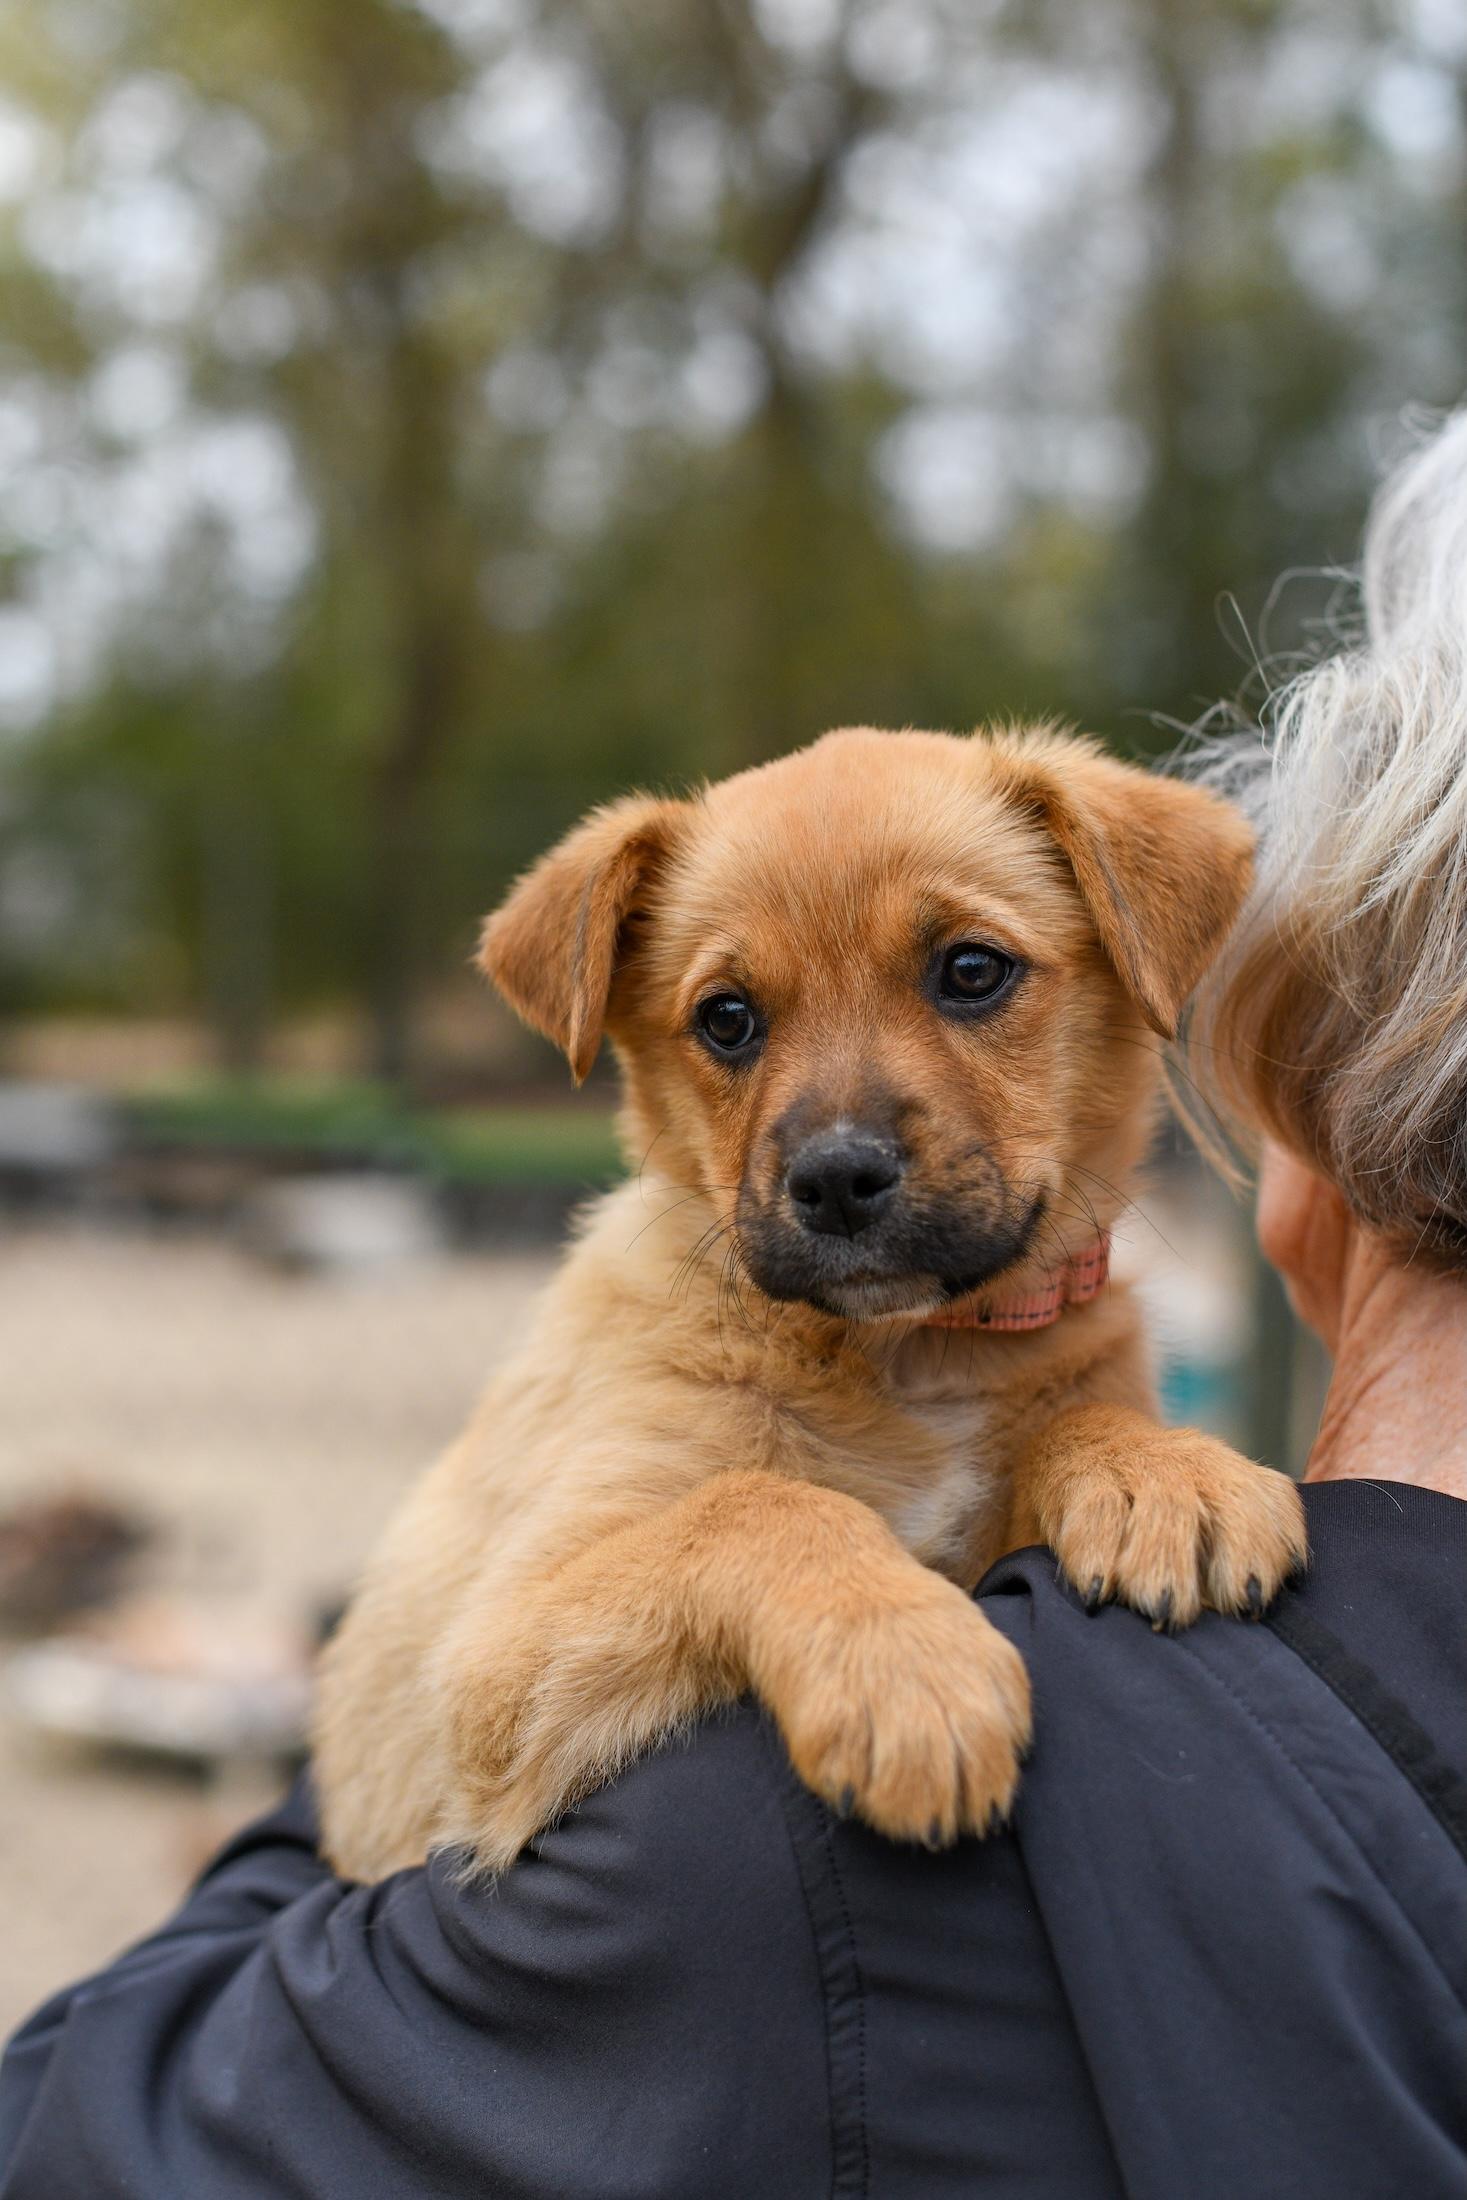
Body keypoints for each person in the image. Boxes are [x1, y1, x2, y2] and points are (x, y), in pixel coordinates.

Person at [4, 417, 1466, 2200]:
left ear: (1133, 966)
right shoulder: (665, 1335)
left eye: (970, 978)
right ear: (624, 1034)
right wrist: (781, 1555)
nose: (842, 1130)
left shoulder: (1081, 1336)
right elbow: (497, 1700)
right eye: (735, 1023)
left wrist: (1097, 1443)